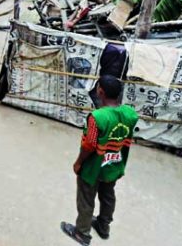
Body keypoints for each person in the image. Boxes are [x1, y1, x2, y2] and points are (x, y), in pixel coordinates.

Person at [61, 76, 140, 245]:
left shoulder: (97, 117)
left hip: (94, 167)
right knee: (107, 195)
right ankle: (103, 227)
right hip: (113, 164)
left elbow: (89, 145)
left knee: (86, 198)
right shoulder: (130, 114)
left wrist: (78, 162)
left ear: (100, 91)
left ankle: (82, 233)